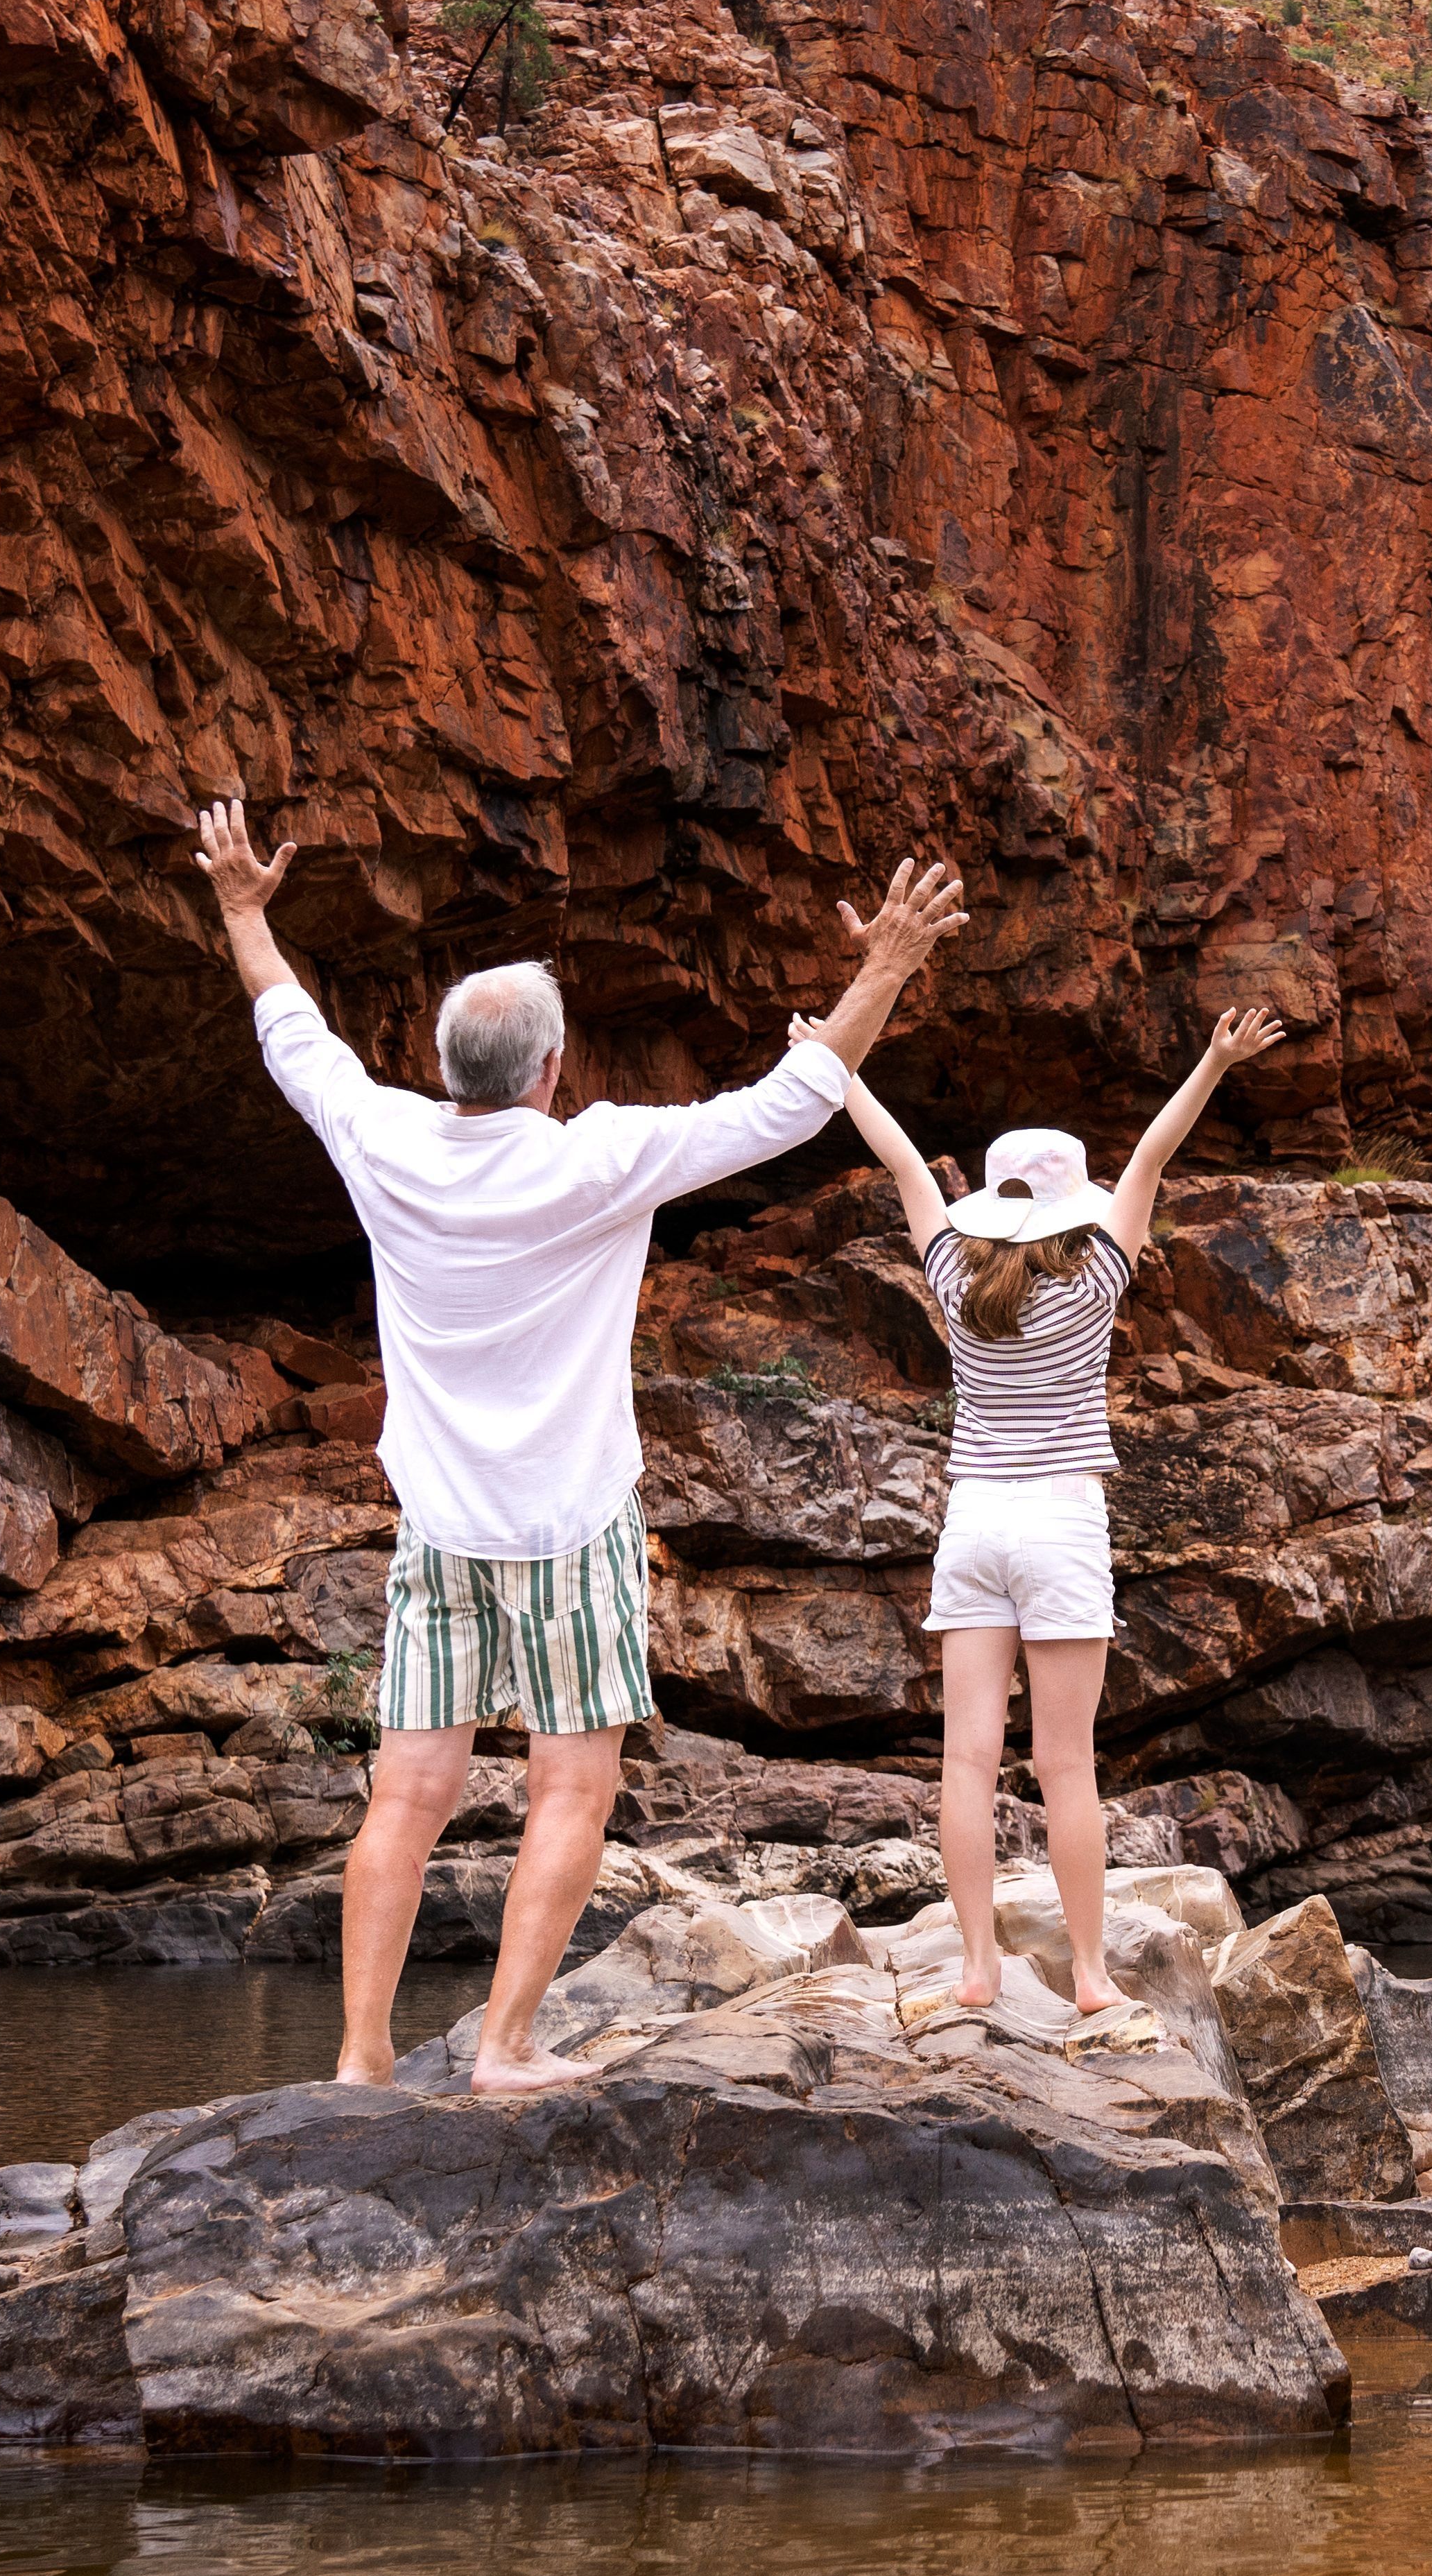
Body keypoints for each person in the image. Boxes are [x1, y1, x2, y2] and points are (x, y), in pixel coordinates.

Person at [194, 797, 963, 2091]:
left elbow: (293, 1033)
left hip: (439, 1525)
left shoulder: (379, 1140)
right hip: (572, 1521)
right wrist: (884, 964)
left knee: (407, 1793)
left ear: (447, 1068)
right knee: (570, 1789)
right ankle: (502, 2048)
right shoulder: (600, 1158)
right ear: (550, 1074)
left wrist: (240, 909)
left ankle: (361, 2059)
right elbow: (793, 1100)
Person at [838, 1003, 1281, 2028]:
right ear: (1068, 1202)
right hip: (1063, 1525)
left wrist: (838, 1068)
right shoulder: (1096, 1283)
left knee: (967, 1761)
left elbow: (906, 1164)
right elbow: (1153, 1161)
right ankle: (1088, 1976)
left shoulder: (952, 1271)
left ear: (990, 1200)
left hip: (975, 1522)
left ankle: (980, 1970)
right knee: (1067, 1764)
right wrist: (1213, 1059)